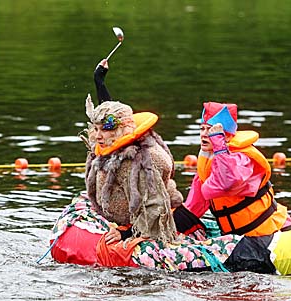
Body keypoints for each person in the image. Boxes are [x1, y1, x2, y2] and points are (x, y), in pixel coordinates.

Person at [84, 59, 205, 245]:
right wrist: (99, 82)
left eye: (104, 130)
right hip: (132, 218)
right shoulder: (114, 140)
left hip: (167, 219)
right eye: (96, 129)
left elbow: (154, 208)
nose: (98, 136)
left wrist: (125, 235)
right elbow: (109, 116)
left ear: (120, 130)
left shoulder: (136, 161)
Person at [184, 101, 291, 273]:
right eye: (202, 129)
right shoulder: (207, 161)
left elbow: (228, 182)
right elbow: (193, 207)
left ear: (225, 134)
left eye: (211, 130)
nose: (204, 135)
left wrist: (219, 146)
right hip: (243, 238)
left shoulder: (241, 158)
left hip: (269, 233)